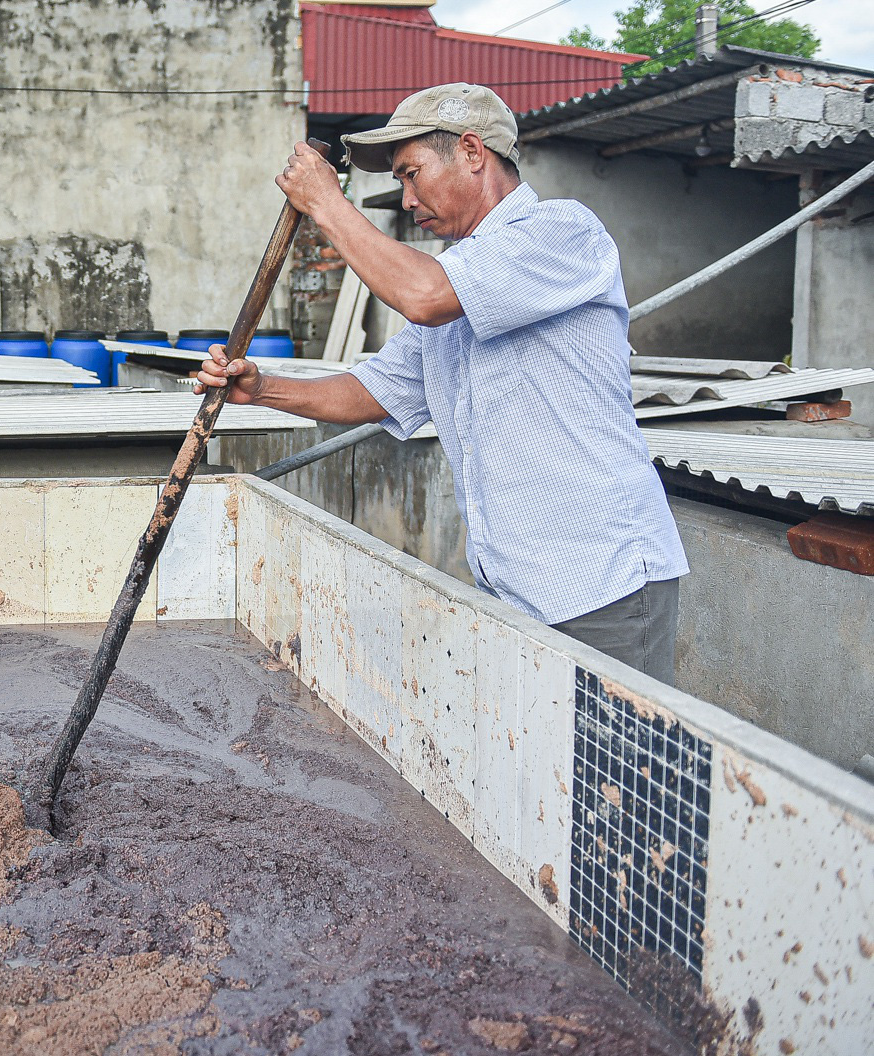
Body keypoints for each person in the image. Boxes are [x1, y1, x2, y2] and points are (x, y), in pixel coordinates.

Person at [197, 83, 688, 684]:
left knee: (614, 773)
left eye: (412, 174)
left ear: (473, 153)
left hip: (599, 583)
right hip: (516, 590)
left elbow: (425, 297)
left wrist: (327, 202)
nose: (406, 199)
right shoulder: (460, 280)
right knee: (538, 774)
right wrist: (261, 386)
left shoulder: (560, 233)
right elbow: (374, 390)